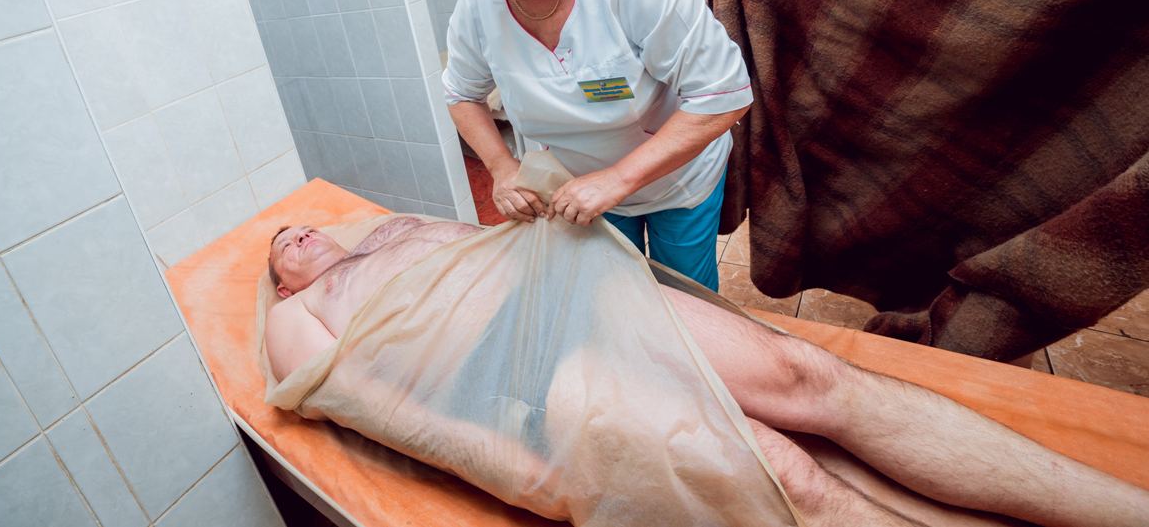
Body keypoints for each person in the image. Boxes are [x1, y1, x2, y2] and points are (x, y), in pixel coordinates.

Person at [264, 219, 1149, 527]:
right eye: (280, 247)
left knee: (809, 377)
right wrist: (518, 468)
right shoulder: (298, 313)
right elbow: (388, 413)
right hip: (514, 377)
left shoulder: (391, 226)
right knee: (788, 473)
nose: (294, 235)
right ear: (283, 282)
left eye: (297, 227)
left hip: (579, 297)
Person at [418, 0, 751, 292]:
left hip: (675, 179)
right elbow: (460, 93)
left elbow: (723, 94)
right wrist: (501, 167)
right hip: (577, 185)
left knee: (685, 299)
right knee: (611, 295)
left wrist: (617, 179)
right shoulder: (479, 0)